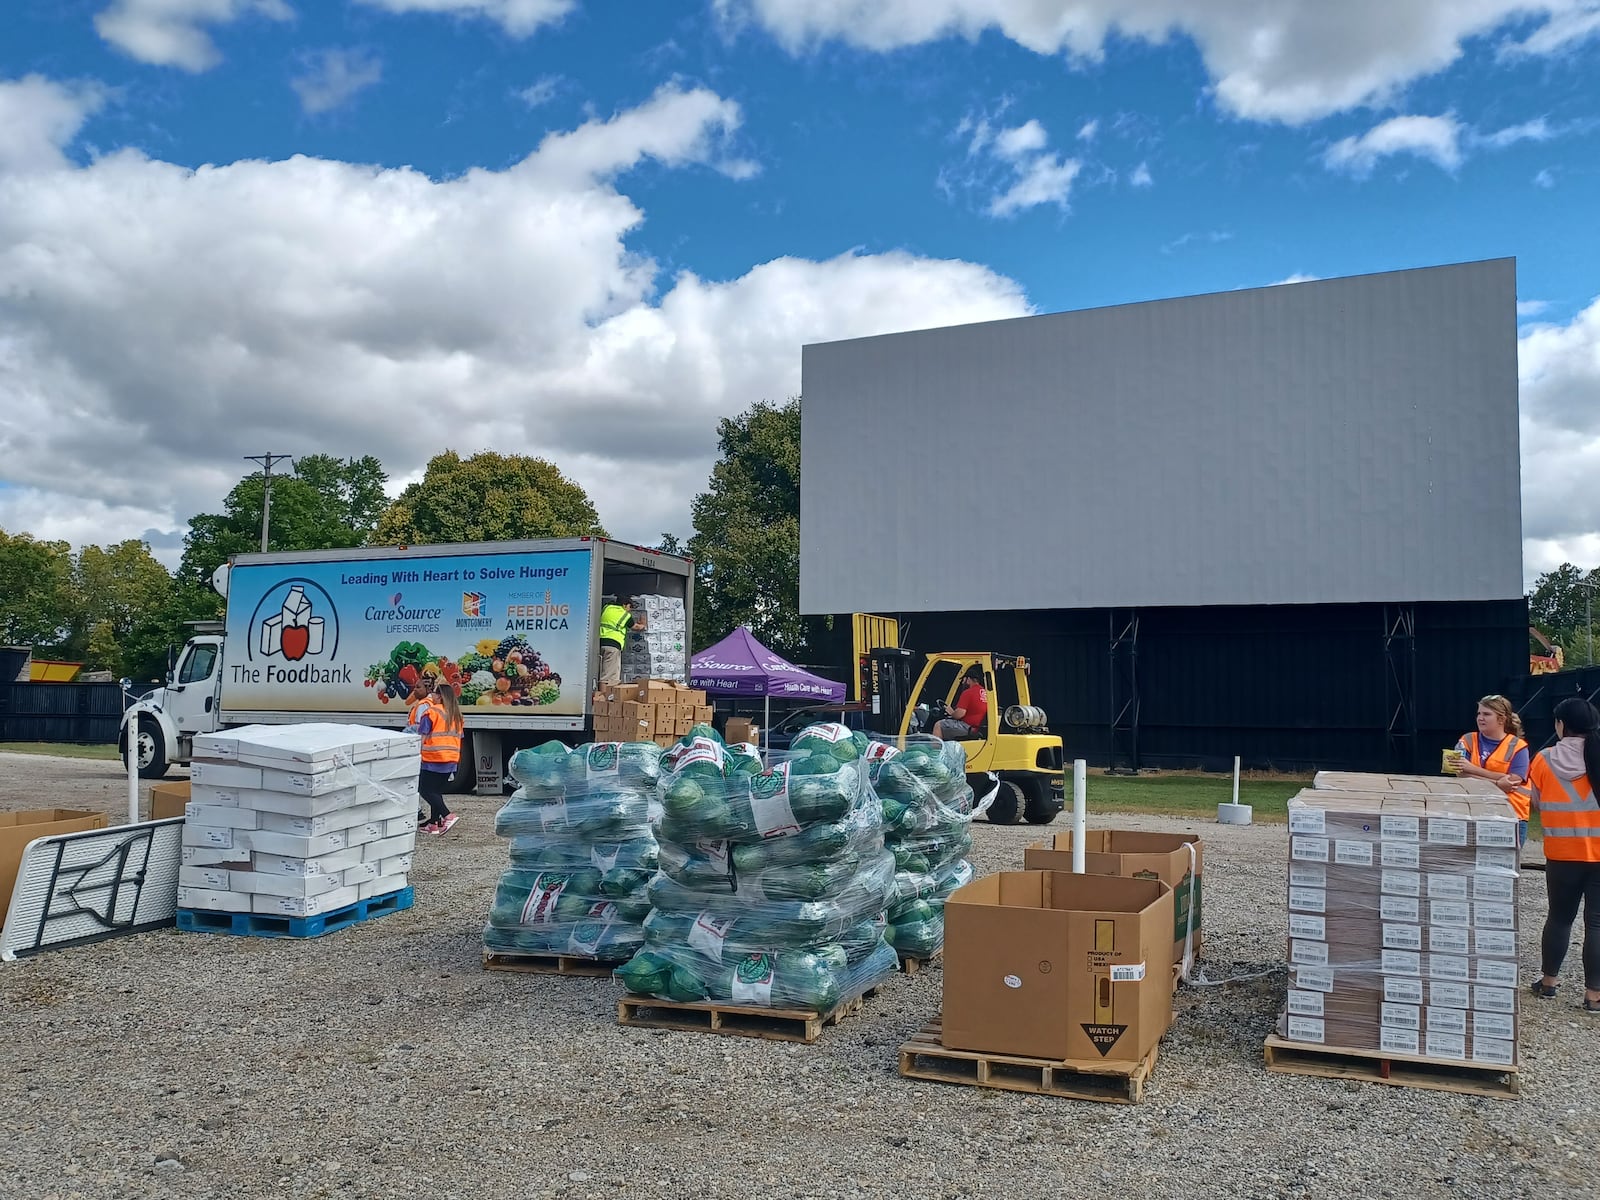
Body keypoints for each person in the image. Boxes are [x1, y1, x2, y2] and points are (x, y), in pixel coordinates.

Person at [1525, 696, 1600, 1013]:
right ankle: (1594, 996)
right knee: (1597, 924)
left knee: (1559, 919)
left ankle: (1549, 983)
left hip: (1561, 855)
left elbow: (1537, 804)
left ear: (1561, 725)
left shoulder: (1543, 760)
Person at [1452, 694, 1531, 845]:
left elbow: (1513, 780)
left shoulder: (1518, 746)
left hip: (1512, 815)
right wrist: (1497, 783)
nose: (1480, 718)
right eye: (1479, 713)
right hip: (1474, 812)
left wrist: (1472, 769)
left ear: (1501, 719)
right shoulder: (1467, 740)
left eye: (1486, 714)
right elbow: (1461, 774)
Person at [414, 680, 464, 835]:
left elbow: (422, 736)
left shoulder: (431, 712)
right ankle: (434, 824)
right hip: (451, 758)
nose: (432, 695)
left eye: (435, 693)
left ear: (440, 696)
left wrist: (416, 754)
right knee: (436, 790)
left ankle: (448, 816)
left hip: (433, 758)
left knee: (425, 789)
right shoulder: (456, 715)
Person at [935, 666, 988, 740]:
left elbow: (959, 714)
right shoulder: (985, 693)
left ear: (968, 679)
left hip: (968, 727)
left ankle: (937, 750)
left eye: (963, 680)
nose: (962, 683)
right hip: (978, 728)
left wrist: (951, 712)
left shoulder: (968, 693)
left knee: (939, 725)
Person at [597, 596, 637, 686]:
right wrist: (643, 624)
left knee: (601, 670)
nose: (629, 610)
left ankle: (600, 694)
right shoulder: (624, 614)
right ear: (624, 605)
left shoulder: (607, 608)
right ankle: (602, 697)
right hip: (613, 645)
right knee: (609, 675)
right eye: (629, 607)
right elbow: (635, 627)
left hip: (600, 642)